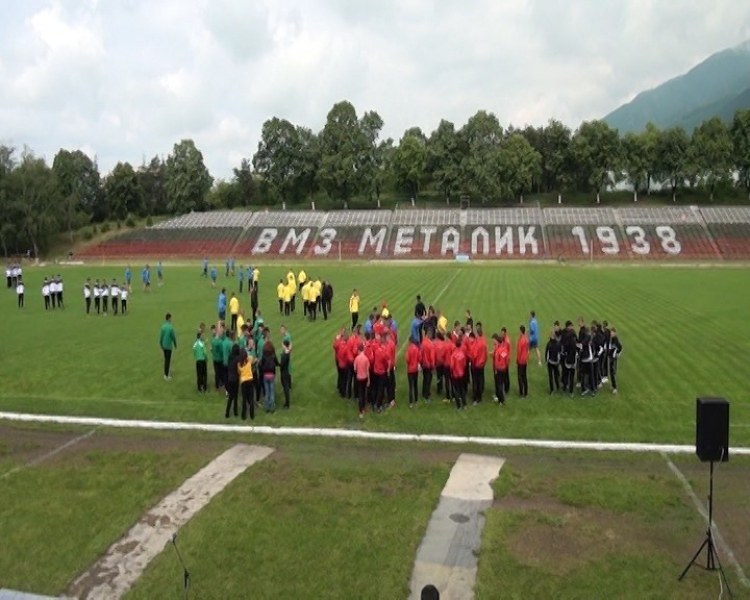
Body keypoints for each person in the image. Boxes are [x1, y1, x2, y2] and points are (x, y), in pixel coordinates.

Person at [260, 345, 279, 413]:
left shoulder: (263, 356)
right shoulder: (273, 356)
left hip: (265, 375)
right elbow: (277, 363)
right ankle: (272, 407)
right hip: (271, 375)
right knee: (272, 392)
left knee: (267, 392)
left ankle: (267, 407)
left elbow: (261, 365)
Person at [471, 323, 487, 404]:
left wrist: (472, 363)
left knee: (475, 382)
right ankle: (480, 396)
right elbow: (485, 353)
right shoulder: (484, 341)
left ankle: (475, 398)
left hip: (476, 364)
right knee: (480, 380)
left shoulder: (477, 343)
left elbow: (474, 355)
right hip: (482, 364)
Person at [353, 343, 370, 419]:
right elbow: (367, 371)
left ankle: (361, 411)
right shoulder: (366, 359)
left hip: (359, 378)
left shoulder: (356, 358)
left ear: (359, 350)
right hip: (365, 378)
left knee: (360, 394)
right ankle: (363, 408)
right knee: (364, 394)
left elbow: (355, 369)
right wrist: (369, 380)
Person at [450, 339, 467, 410]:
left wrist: (452, 372)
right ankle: (464, 404)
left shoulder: (453, 355)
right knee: (462, 389)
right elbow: (464, 364)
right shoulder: (462, 354)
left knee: (456, 390)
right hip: (461, 374)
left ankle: (459, 406)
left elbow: (452, 366)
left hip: (455, 374)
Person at [238, 349, 255, 420]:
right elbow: (253, 358)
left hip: (243, 382)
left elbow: (239, 372)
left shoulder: (239, 364)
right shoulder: (249, 360)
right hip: (250, 381)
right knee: (251, 398)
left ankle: (243, 416)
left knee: (244, 399)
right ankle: (252, 415)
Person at [159, 313, 177, 380]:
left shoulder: (163, 327)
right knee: (168, 360)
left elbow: (161, 336)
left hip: (164, 346)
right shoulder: (170, 327)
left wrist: (161, 344)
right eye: (171, 318)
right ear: (169, 318)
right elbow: (173, 337)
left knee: (166, 359)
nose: (171, 319)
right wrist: (175, 344)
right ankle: (166, 375)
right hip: (169, 346)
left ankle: (166, 373)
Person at [225, 344, 241, 417]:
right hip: (235, 379)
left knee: (231, 396)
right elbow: (238, 369)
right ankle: (235, 411)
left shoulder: (230, 357)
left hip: (229, 378)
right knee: (235, 396)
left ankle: (227, 412)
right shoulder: (237, 358)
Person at [420, 327, 436, 402]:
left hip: (424, 364)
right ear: (430, 334)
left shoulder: (423, 342)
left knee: (425, 379)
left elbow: (421, 354)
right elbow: (432, 357)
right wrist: (433, 366)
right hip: (429, 365)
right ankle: (427, 395)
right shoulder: (430, 344)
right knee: (428, 380)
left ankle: (424, 393)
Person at [544, 329, 562, 395]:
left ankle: (552, 390)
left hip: (550, 362)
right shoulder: (558, 344)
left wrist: (546, 359)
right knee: (556, 375)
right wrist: (559, 362)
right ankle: (557, 387)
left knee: (551, 376)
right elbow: (559, 353)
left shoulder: (549, 344)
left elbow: (546, 353)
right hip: (556, 362)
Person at [607, 327, 622, 394]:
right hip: (610, 358)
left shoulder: (616, 340)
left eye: (612, 332)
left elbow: (620, 347)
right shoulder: (611, 339)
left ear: (615, 333)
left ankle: (615, 388)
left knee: (612, 372)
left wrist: (617, 353)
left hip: (613, 358)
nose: (611, 334)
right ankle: (613, 386)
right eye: (611, 332)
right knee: (611, 372)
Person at [406, 337, 420, 408]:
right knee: (415, 385)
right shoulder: (417, 349)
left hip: (410, 370)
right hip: (415, 370)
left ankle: (411, 402)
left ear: (410, 341)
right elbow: (419, 358)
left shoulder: (409, 349)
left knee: (410, 386)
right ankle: (416, 401)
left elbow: (407, 360)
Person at [517, 325, 529, 397]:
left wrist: (518, 360)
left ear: (521, 331)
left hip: (521, 361)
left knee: (520, 377)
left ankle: (521, 392)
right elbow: (527, 350)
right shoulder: (526, 339)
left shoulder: (521, 340)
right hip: (525, 360)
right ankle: (526, 392)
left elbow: (519, 351)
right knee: (524, 376)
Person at [211, 325, 224, 390]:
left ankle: (216, 385)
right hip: (220, 359)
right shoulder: (220, 342)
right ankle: (221, 382)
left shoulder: (213, 341)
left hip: (214, 358)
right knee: (221, 371)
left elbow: (212, 350)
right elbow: (221, 351)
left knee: (216, 372)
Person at [280, 339, 292, 409]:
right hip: (285, 372)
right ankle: (287, 402)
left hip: (284, 373)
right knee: (285, 388)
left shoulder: (285, 354)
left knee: (286, 388)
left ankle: (287, 404)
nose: (282, 346)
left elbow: (282, 364)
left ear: (285, 345)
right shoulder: (286, 352)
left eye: (282, 344)